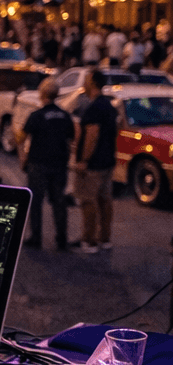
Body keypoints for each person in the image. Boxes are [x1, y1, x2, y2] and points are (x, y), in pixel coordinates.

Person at [16, 77, 75, 250]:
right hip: (59, 164)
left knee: (36, 202)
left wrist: (23, 158)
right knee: (59, 202)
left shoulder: (36, 116)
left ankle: (36, 237)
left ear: (42, 94)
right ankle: (61, 239)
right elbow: (71, 139)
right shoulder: (65, 116)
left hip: (38, 163)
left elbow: (21, 138)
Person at [72, 67, 118, 253]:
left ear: (92, 82)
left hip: (93, 165)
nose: (83, 82)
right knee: (105, 201)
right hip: (107, 161)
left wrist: (83, 160)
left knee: (88, 201)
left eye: (86, 79)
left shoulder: (94, 108)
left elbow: (92, 135)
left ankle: (89, 241)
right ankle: (105, 238)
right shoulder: (108, 106)